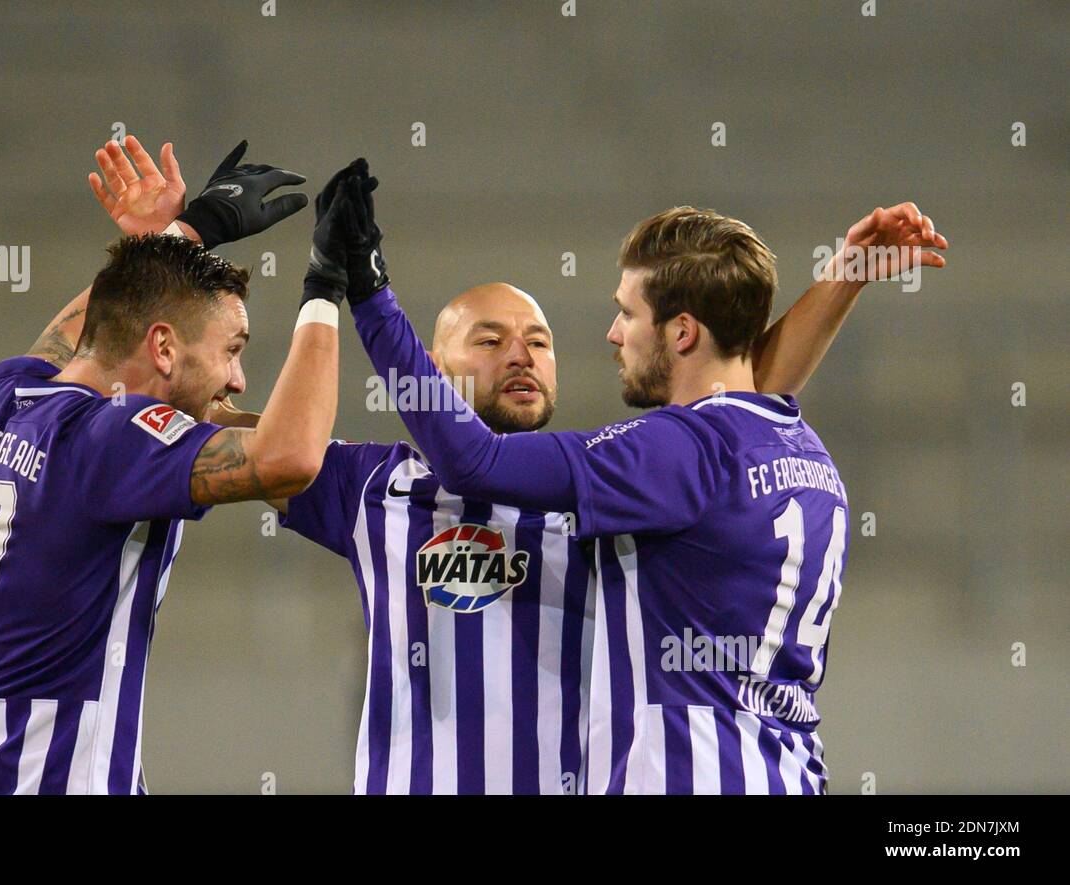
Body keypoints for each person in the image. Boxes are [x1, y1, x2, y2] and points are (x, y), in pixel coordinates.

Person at [340, 170, 946, 793]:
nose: (612, 334)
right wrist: (845, 277)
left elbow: (475, 463)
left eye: (627, 313)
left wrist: (369, 293)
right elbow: (739, 378)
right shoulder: (803, 451)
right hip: (789, 769)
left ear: (681, 332)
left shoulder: (676, 450)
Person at [0, 138, 362, 794]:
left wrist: (184, 234)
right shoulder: (107, 442)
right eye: (232, 350)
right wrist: (325, 287)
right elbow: (288, 455)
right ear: (162, 346)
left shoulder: (1, 396)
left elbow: (86, 330)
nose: (238, 378)